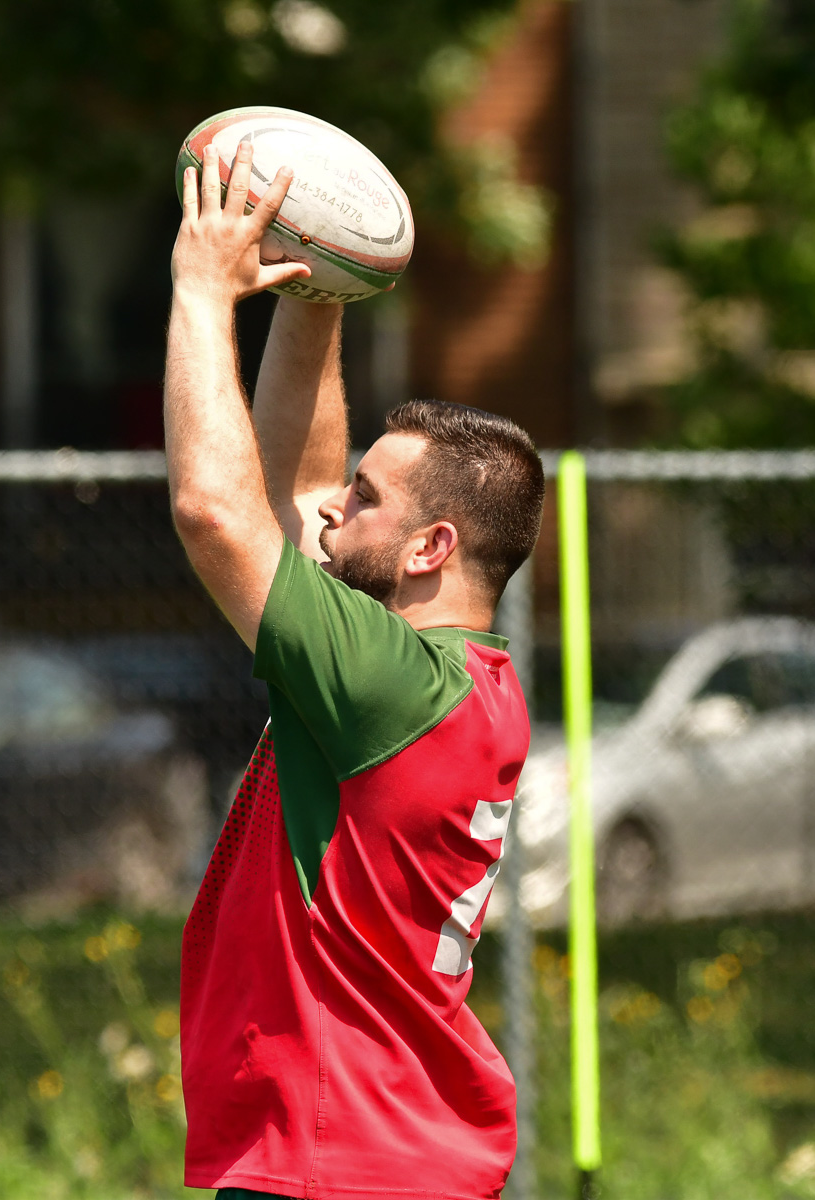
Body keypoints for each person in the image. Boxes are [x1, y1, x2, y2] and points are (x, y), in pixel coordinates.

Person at [165, 137, 546, 1200]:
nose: (340, 507)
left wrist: (205, 290)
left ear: (432, 550)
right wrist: (314, 291)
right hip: (393, 1155)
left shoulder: (388, 683)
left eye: (372, 501)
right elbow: (301, 491)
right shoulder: (464, 682)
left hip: (337, 1167)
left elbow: (218, 513)